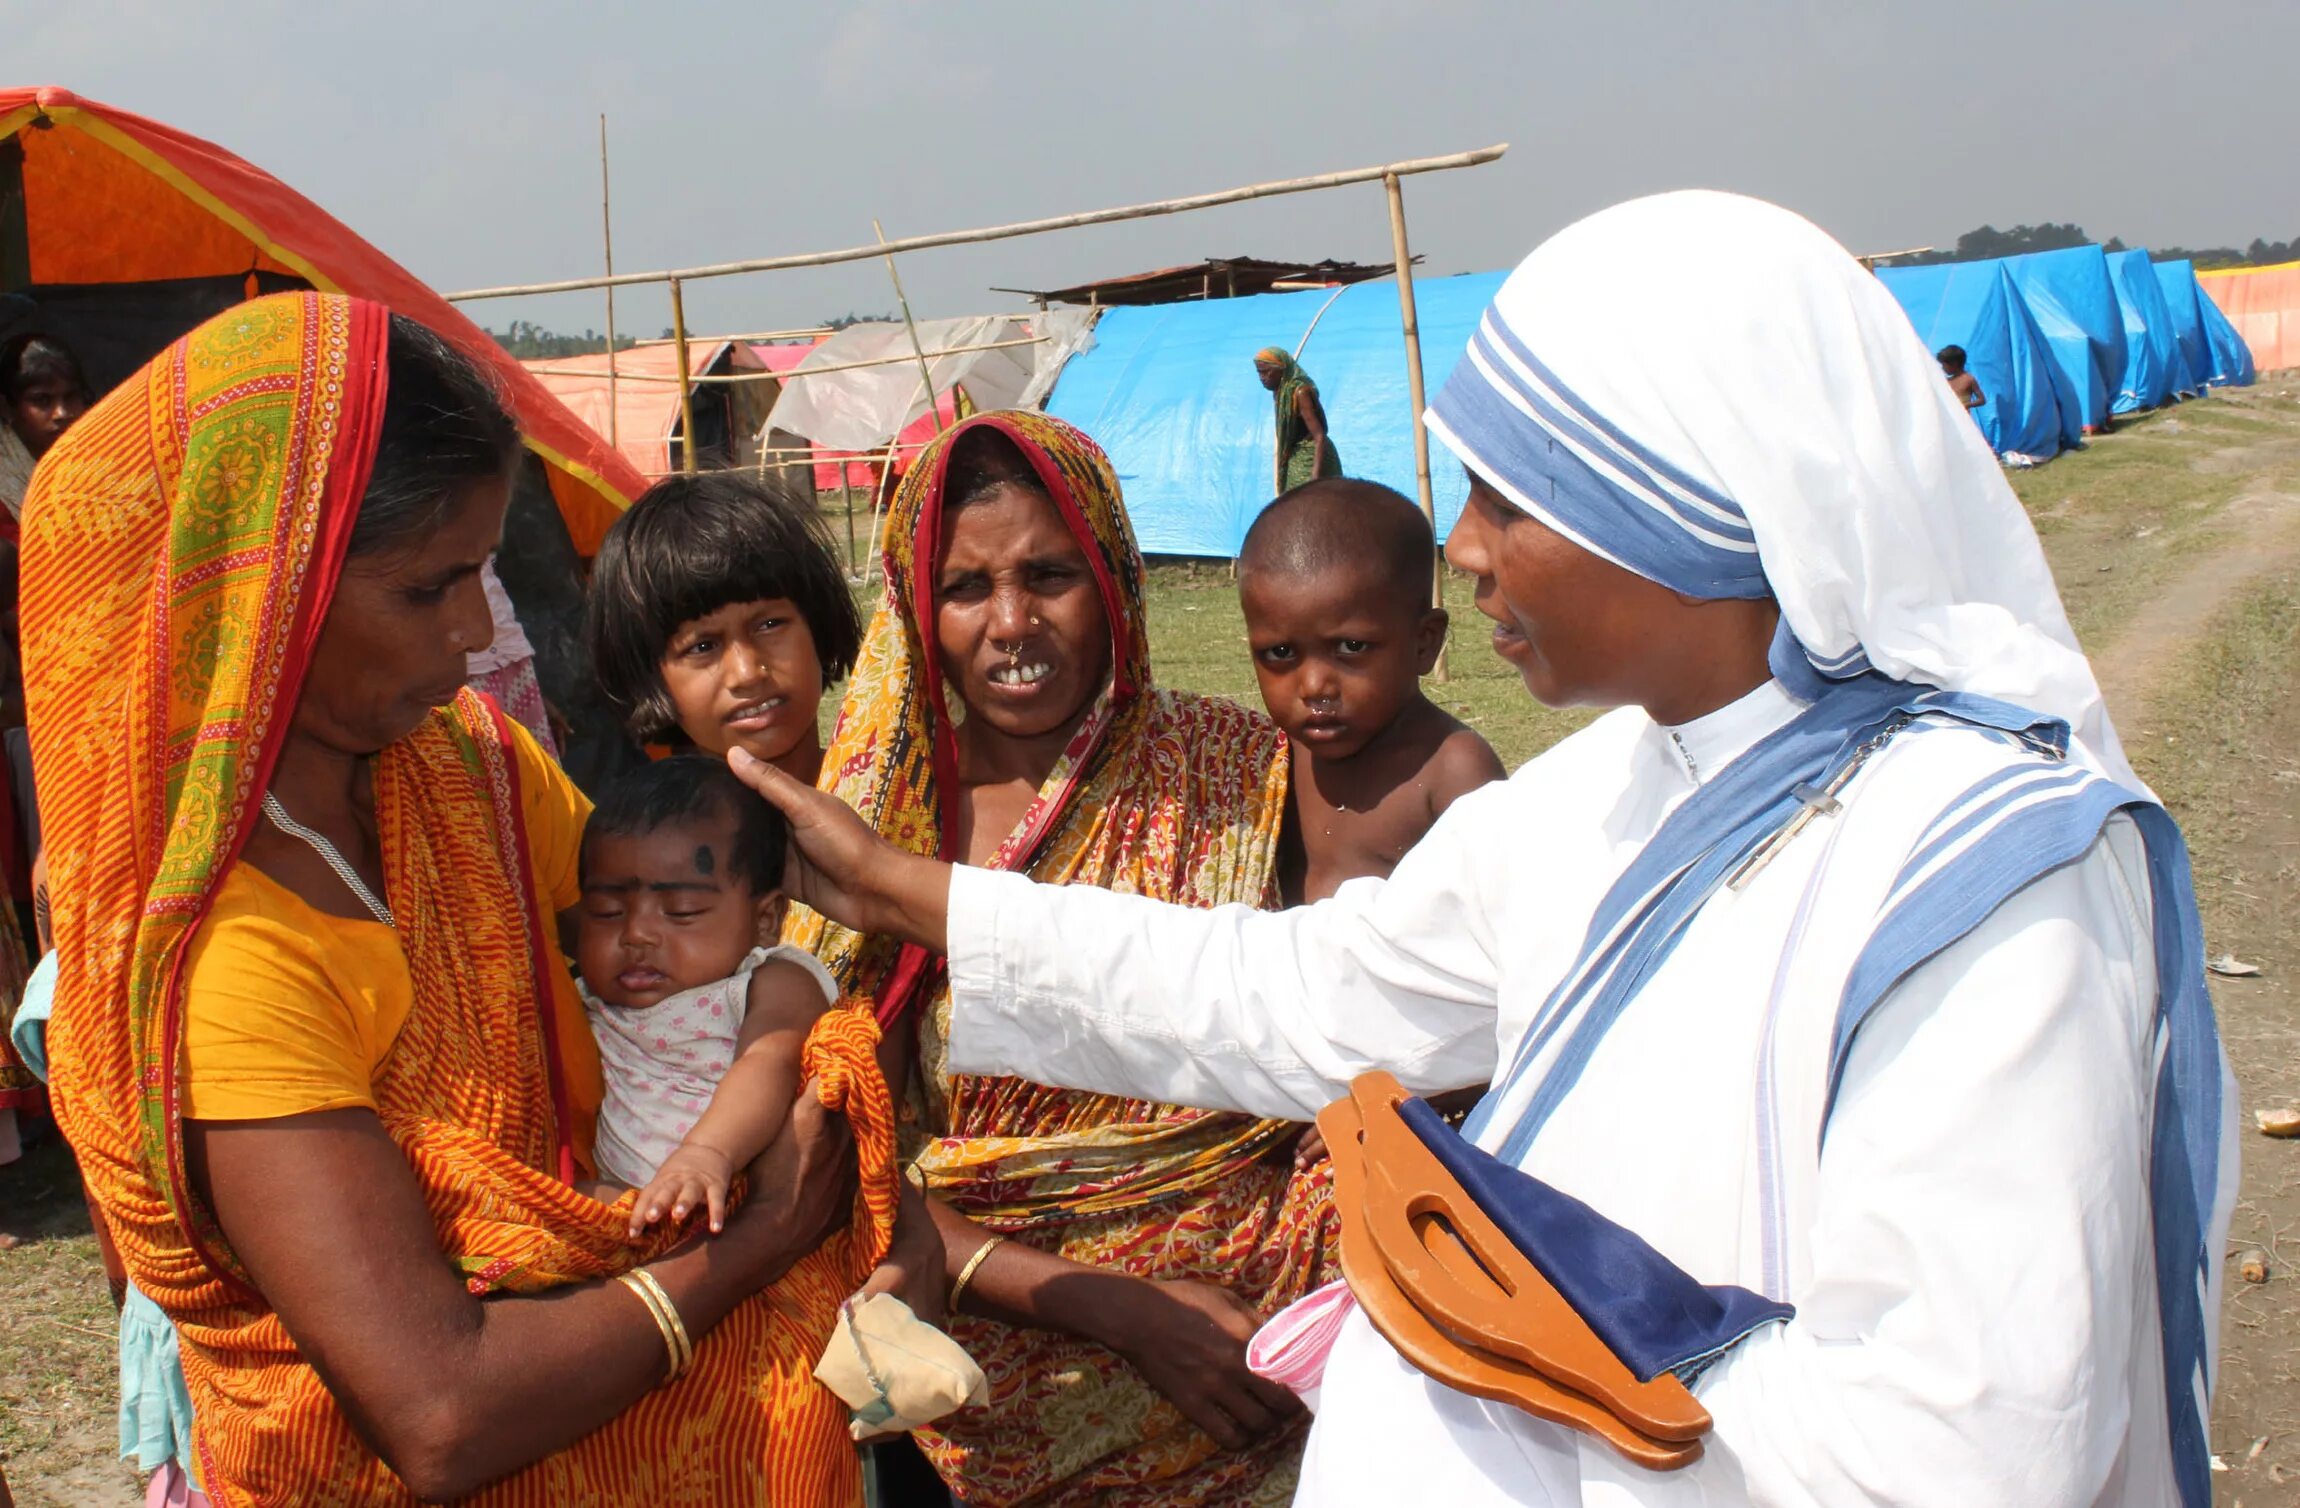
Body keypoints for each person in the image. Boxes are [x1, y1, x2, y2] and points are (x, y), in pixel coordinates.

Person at [738, 192, 2237, 1508]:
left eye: (1512, 498)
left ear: (1683, 500)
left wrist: (1492, 1334)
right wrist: (899, 890)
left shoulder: (1987, 891)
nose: (1459, 548)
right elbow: (1297, 997)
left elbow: (1967, 1450)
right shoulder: (1603, 798)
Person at [29, 293, 915, 1505]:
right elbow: (439, 1411)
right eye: (427, 586)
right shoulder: (226, 959)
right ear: (261, 593)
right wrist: (758, 1241)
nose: (471, 631)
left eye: (485, 573)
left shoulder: (466, 769)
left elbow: (684, 919)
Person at [780, 410, 1338, 1504]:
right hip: (1009, 1400)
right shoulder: (874, 834)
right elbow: (856, 1165)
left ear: (1116, 574)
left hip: (1275, 1359)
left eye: (1049, 572)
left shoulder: (1244, 772)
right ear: (912, 608)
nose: (1010, 621)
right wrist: (1117, 1305)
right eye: (964, 588)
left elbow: (1350, 1048)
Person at [577, 756, 840, 1237]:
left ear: (765, 919)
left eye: (682, 911)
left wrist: (707, 1153)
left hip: (742, 1195)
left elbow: (769, 1061)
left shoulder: (768, 982)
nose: (637, 934)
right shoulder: (584, 1001)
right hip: (626, 1212)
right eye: (608, 911)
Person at [1238, 477, 1505, 905]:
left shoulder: (1451, 769)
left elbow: (1498, 916)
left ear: (1424, 643)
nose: (1313, 686)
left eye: (1351, 647)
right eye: (1281, 652)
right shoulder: (1280, 759)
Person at [586, 470, 863, 786]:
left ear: (818, 624)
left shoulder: (907, 810)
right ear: (648, 676)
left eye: (769, 625)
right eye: (702, 647)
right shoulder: (652, 835)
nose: (747, 673)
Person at [0, 332, 92, 522]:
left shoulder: (105, 459)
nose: (62, 413)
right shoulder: (5, 490)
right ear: (7, 408)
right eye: (42, 400)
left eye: (70, 396)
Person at [1255, 347, 1341, 492]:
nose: (1262, 377)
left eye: (1266, 372)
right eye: (1259, 372)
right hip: (1296, 457)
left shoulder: (1299, 393)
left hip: (1314, 456)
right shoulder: (1280, 394)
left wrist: (1315, 476)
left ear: (1281, 369)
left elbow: (1319, 436)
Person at [1937, 343, 1986, 410]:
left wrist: (1966, 405)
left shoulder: (1969, 379)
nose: (1942, 368)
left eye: (1944, 365)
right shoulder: (1947, 381)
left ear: (1954, 364)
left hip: (1962, 418)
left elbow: (1982, 400)